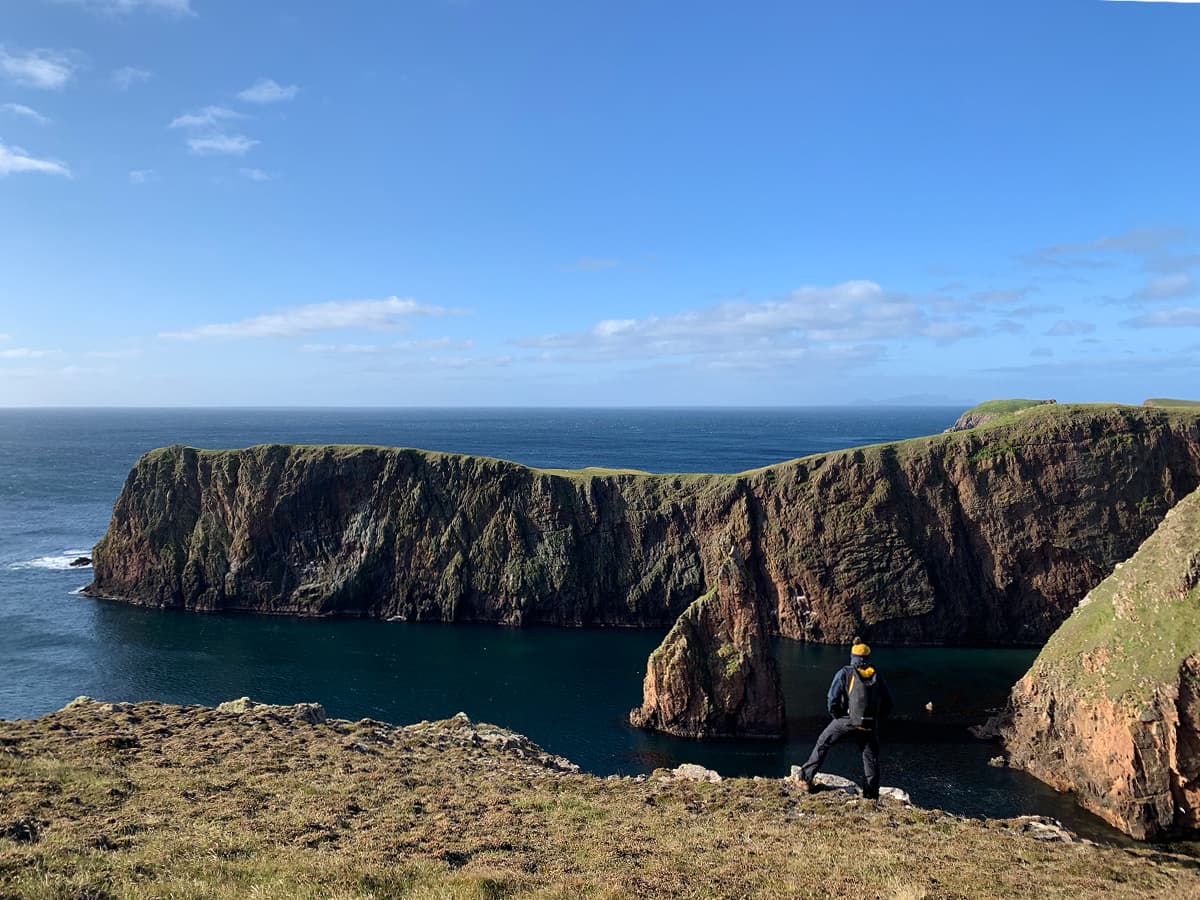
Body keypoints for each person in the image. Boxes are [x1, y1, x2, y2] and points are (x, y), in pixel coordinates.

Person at [796, 640, 893, 799]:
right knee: (870, 757)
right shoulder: (876, 674)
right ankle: (871, 794)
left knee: (823, 742)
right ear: (868, 657)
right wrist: (876, 719)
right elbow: (889, 702)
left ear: (852, 656)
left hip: (846, 720)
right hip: (868, 724)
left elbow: (832, 698)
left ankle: (805, 778)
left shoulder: (845, 672)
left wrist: (837, 715)